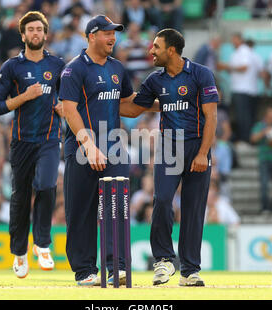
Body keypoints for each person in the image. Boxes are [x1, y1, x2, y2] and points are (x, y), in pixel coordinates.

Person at [59, 15, 155, 286]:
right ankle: (85, 270)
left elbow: (125, 105)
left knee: (117, 208)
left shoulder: (117, 68)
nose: (113, 38)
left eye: (114, 33)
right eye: (107, 33)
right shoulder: (74, 69)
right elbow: (69, 108)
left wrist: (162, 103)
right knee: (82, 210)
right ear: (91, 36)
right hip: (81, 147)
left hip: (114, 146)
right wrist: (88, 145)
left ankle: (116, 268)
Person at [130, 28, 218, 286]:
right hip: (169, 147)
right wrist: (103, 100)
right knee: (162, 199)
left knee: (193, 209)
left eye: (155, 47)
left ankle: (189, 270)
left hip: (197, 147)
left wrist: (203, 153)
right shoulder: (155, 80)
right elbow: (135, 107)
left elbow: (211, 116)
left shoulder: (201, 74)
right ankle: (163, 260)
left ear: (171, 50)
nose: (151, 51)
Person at [0, 11, 65, 279]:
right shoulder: (12, 67)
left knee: (47, 186)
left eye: (39, 29)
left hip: (48, 139)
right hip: (21, 141)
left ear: (45, 34)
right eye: (30, 30)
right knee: (20, 197)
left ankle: (42, 244)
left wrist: (62, 107)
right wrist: (24, 96)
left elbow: (69, 100)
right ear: (23, 35)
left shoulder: (58, 65)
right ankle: (19, 252)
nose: (35, 33)